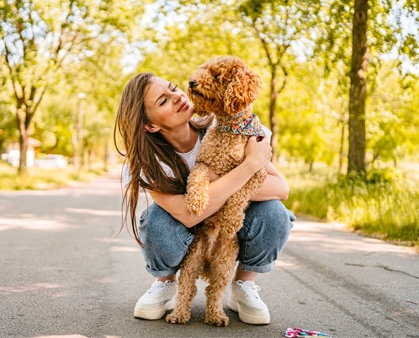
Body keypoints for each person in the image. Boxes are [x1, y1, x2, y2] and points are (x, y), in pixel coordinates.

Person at [113, 72, 296, 325]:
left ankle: (243, 284)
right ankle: (164, 284)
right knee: (156, 219)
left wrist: (219, 177)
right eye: (163, 101)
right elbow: (189, 214)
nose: (178, 97)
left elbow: (280, 188)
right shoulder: (148, 162)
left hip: (229, 228)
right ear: (150, 125)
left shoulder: (227, 126)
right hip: (186, 231)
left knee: (275, 213)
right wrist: (248, 166)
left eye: (173, 88)